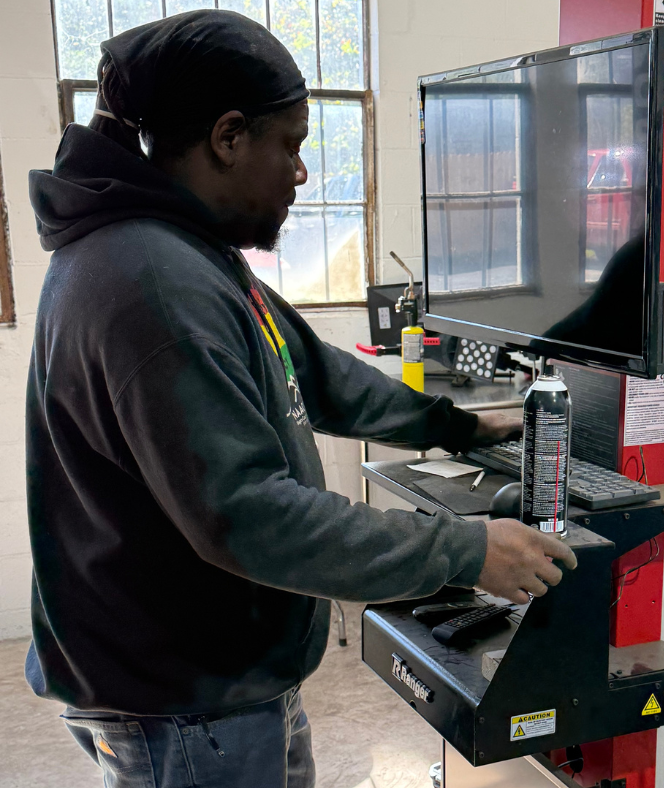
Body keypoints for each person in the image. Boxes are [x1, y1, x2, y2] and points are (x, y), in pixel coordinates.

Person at [25, 11, 576, 788]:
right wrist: (467, 550)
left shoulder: (183, 250)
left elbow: (312, 371)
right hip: (185, 704)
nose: (302, 173)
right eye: (291, 145)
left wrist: (456, 425)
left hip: (221, 683)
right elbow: (253, 518)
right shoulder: (151, 281)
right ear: (227, 137)